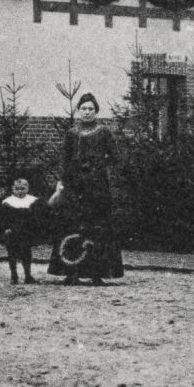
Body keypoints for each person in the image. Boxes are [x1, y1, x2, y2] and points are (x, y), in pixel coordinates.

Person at [47, 93, 124, 286]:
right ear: (78, 111)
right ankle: (71, 272)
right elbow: (65, 161)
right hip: (75, 187)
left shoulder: (104, 132)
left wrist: (98, 164)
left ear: (96, 111)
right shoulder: (72, 134)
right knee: (72, 226)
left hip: (97, 188)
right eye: (84, 109)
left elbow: (115, 157)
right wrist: (61, 182)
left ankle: (97, 274)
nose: (87, 112)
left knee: (97, 228)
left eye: (91, 109)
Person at [0, 176, 41, 285]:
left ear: (27, 188)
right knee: (12, 253)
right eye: (17, 189)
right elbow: (2, 218)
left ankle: (28, 276)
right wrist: (5, 228)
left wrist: (35, 230)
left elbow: (37, 218)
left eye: (22, 188)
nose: (20, 191)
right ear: (13, 189)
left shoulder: (33, 201)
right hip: (12, 232)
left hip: (26, 232)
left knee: (26, 253)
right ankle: (14, 276)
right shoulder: (7, 202)